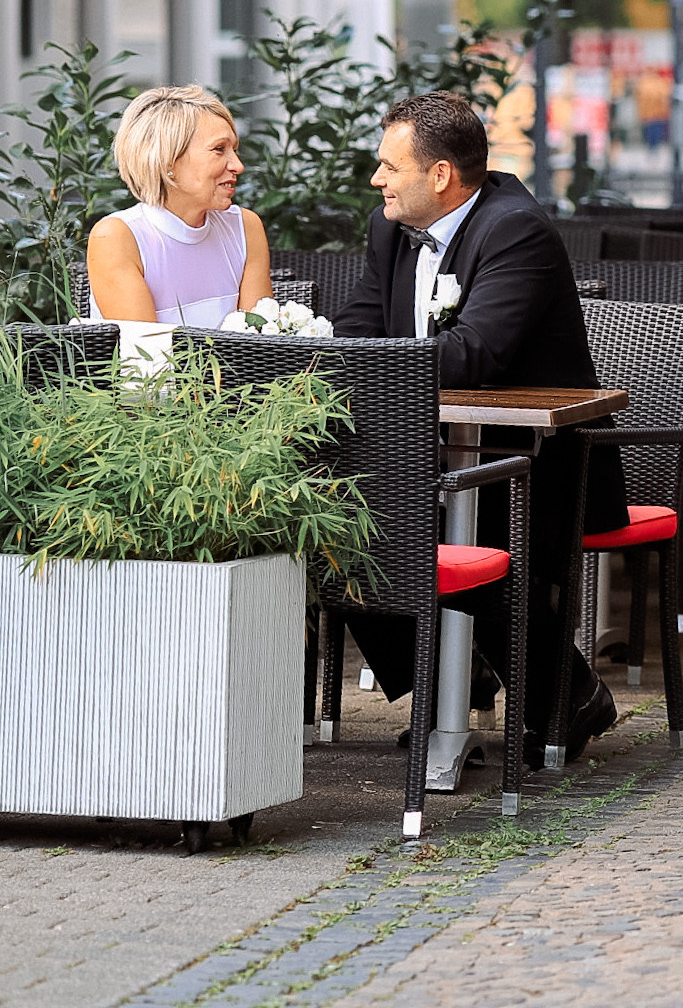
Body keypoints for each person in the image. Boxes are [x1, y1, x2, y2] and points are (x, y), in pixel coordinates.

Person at [333, 91, 626, 765]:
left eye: (387, 165)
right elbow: (357, 322)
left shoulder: (515, 228)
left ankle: (566, 691)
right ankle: (449, 682)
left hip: (532, 460)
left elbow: (475, 353)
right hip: (432, 450)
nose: (376, 179)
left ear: (439, 176)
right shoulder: (389, 227)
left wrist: (369, 366)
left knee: (470, 549)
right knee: (335, 526)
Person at [86, 85, 272, 326]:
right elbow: (146, 358)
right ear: (167, 159)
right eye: (219, 149)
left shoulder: (245, 227)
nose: (238, 165)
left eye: (235, 150)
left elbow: (260, 348)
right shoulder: (118, 237)